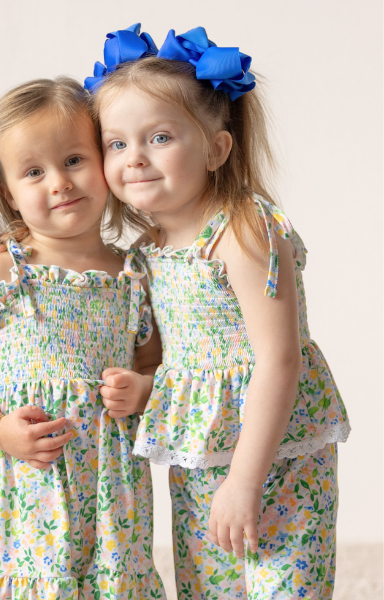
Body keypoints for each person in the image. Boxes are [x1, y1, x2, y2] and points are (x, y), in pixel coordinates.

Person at [89, 24, 350, 600]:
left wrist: (245, 481)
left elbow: (279, 360)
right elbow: (181, 358)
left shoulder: (242, 230)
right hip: (201, 450)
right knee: (208, 587)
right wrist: (147, 388)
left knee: (285, 585)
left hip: (276, 451)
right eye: (116, 144)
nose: (135, 158)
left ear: (216, 148)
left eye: (159, 137)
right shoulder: (149, 251)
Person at [0, 78, 165, 599]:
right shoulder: (3, 274)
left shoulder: (133, 276)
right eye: (34, 172)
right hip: (22, 480)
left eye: (74, 160)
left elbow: (154, 364)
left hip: (108, 488)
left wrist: (141, 389)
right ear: (9, 194)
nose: (60, 182)